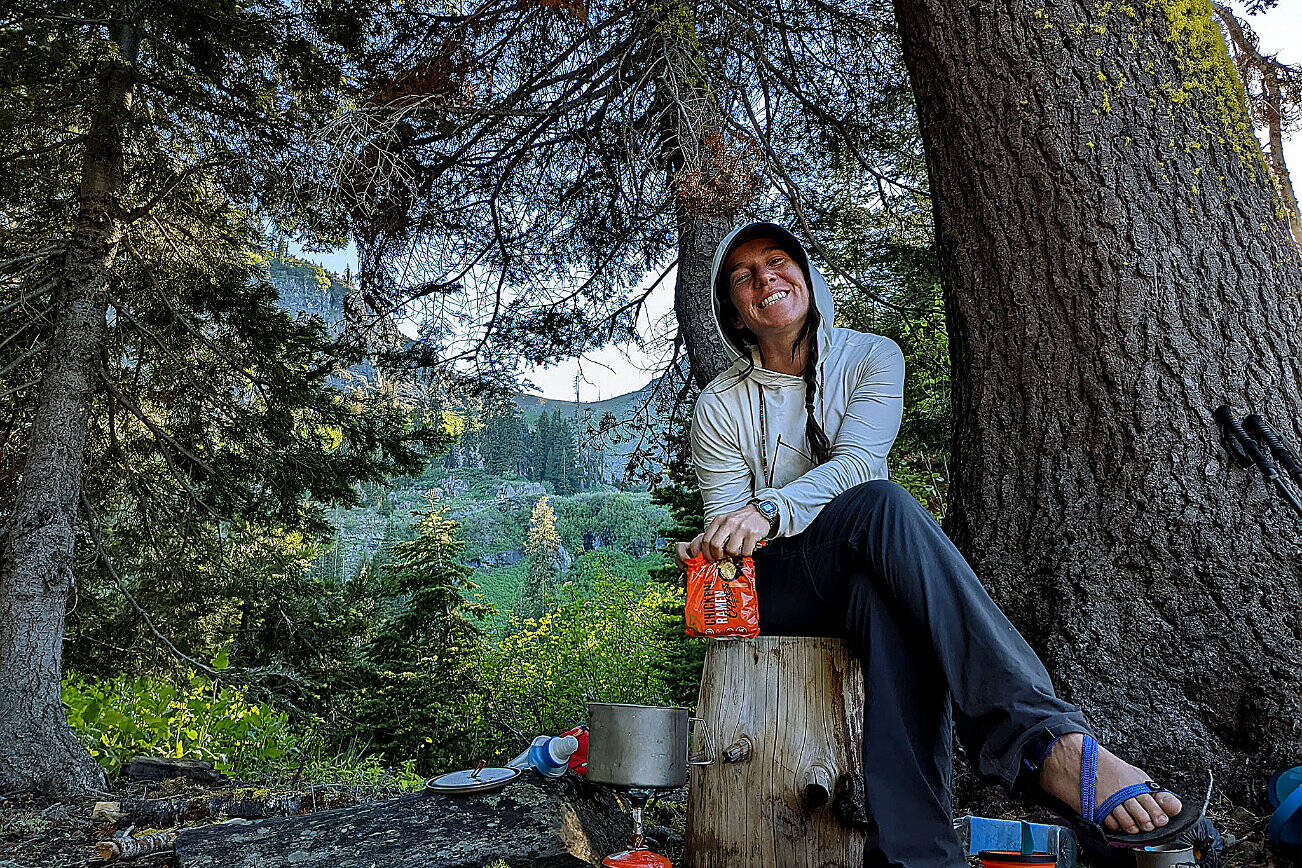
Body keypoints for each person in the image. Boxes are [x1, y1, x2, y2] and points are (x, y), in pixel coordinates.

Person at [675, 222, 1196, 865]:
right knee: (885, 506)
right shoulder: (720, 404)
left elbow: (861, 462)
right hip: (776, 585)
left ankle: (921, 856)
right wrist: (722, 537)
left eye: (777, 262)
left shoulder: (872, 358)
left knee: (882, 596)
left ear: (807, 275)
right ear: (734, 311)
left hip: (857, 559)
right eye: (743, 276)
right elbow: (732, 527)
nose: (764, 280)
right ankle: (1041, 740)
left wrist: (770, 507)